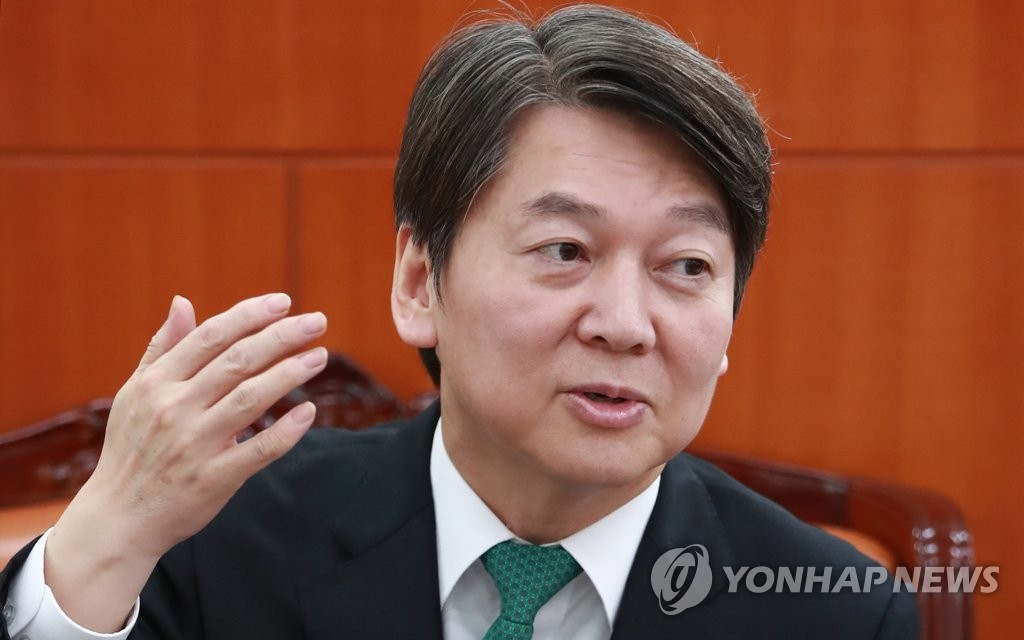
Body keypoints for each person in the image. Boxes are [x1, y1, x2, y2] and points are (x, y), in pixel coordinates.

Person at [1, 4, 919, 639]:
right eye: (565, 249)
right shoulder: (222, 533)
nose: (625, 325)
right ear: (418, 282)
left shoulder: (836, 612)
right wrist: (103, 544)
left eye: (687, 267)